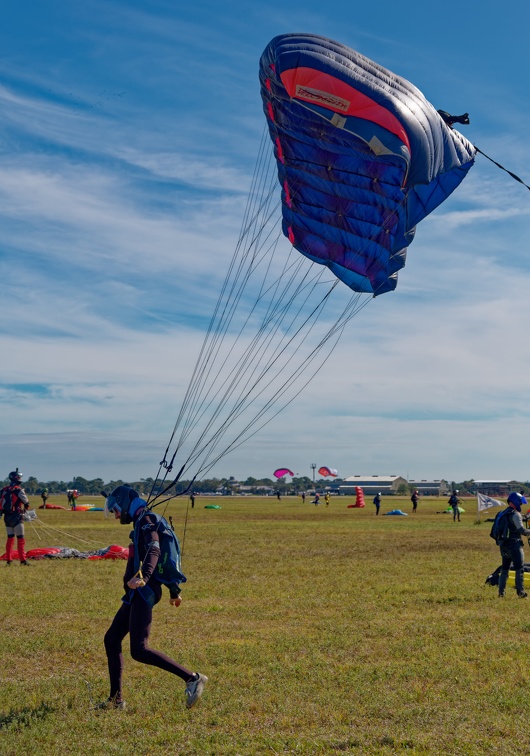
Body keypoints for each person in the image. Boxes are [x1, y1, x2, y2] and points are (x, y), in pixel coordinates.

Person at [101, 485, 207, 710]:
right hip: (135, 592)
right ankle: (115, 700)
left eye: (116, 509)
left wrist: (143, 577)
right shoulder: (140, 521)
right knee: (111, 639)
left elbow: (156, 549)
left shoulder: (147, 520)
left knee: (139, 650)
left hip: (144, 590)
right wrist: (173, 591)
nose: (116, 514)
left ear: (125, 504)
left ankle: (193, 678)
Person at [496, 492, 530, 598]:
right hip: (515, 545)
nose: (521, 503)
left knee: (505, 569)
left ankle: (501, 593)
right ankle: (521, 592)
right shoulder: (515, 514)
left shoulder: (503, 512)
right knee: (519, 569)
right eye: (520, 502)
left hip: (504, 545)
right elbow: (522, 530)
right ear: (515, 501)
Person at [1, 470, 31, 566]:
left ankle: (9, 560)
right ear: (16, 478)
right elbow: (26, 503)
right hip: (17, 516)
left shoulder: (4, 489)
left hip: (7, 517)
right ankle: (23, 560)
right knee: (20, 539)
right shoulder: (18, 489)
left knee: (10, 538)